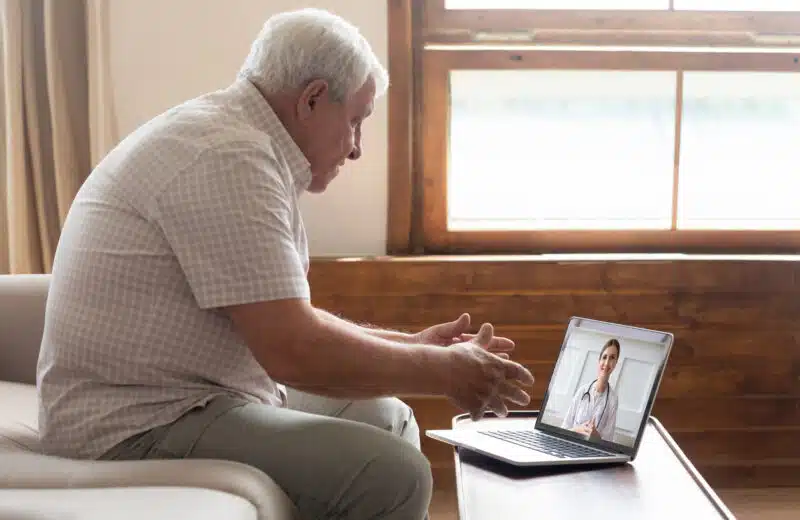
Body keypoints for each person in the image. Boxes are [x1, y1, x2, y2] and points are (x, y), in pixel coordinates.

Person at [35, 7, 535, 520]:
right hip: (135, 423)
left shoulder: (234, 139)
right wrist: (445, 372)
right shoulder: (228, 158)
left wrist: (411, 347)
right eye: (356, 121)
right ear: (313, 98)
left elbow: (289, 320)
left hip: (190, 395)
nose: (357, 147)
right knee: (394, 472)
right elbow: (293, 350)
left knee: (387, 419)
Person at [560, 339, 620, 442]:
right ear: (599, 360)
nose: (606, 362)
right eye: (604, 357)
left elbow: (608, 441)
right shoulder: (582, 391)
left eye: (612, 358)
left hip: (593, 451)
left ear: (615, 363)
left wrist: (596, 435)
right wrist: (578, 429)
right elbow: (564, 429)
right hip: (571, 444)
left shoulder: (613, 400)